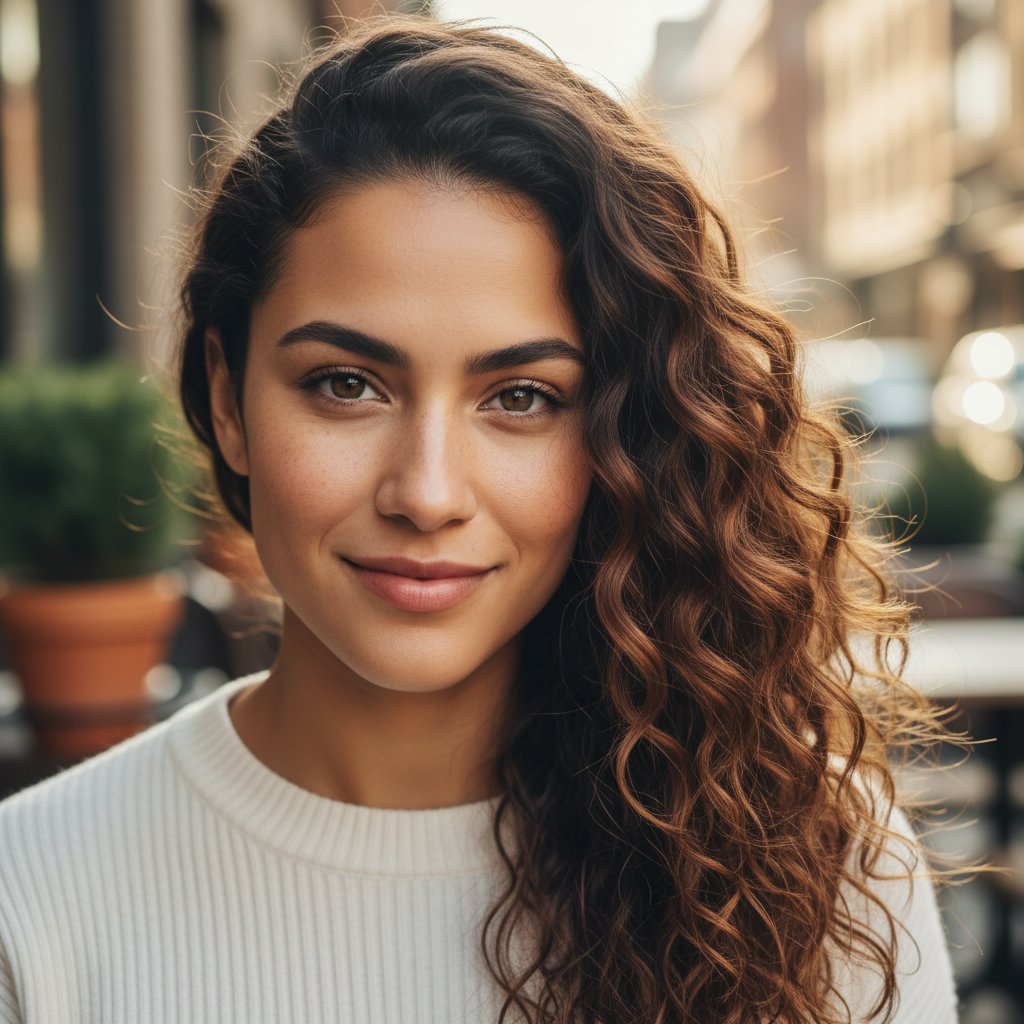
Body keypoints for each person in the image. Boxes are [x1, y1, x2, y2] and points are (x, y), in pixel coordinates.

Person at [0, 16, 960, 1024]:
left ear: (622, 435)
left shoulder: (814, 875)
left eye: (521, 398)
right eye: (345, 384)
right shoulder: (31, 903)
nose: (426, 493)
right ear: (227, 400)